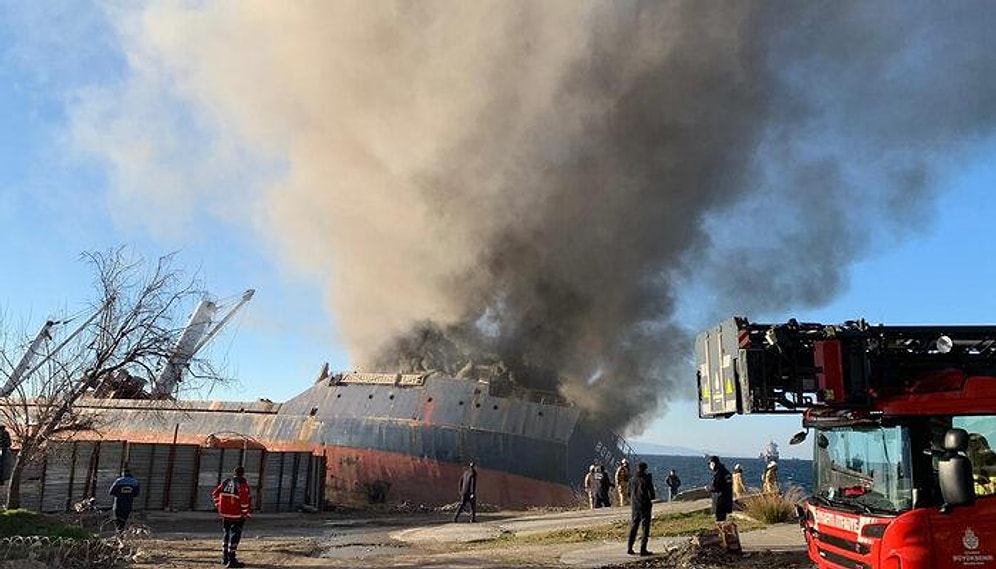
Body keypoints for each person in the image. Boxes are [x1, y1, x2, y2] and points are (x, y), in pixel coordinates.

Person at [212, 465, 252, 568]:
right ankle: (232, 559)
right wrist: (245, 513)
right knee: (235, 535)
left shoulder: (226, 482)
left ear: (234, 473)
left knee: (226, 533)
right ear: (243, 474)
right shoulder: (242, 484)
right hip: (237, 515)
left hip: (225, 514)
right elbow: (244, 501)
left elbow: (215, 494)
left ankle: (225, 558)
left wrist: (218, 505)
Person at [627, 461, 656, 556]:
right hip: (645, 505)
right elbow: (652, 495)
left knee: (634, 527)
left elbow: (628, 493)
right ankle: (643, 549)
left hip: (634, 506)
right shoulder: (646, 480)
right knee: (645, 528)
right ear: (645, 469)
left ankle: (629, 547)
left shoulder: (632, 480)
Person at [108, 468, 140, 534]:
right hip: (128, 504)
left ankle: (119, 532)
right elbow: (136, 494)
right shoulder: (135, 482)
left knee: (118, 519)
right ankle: (121, 532)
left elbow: (111, 492)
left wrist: (119, 494)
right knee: (124, 520)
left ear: (123, 473)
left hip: (118, 504)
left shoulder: (118, 481)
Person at [707, 456, 733, 522]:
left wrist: (708, 488)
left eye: (710, 464)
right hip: (727, 497)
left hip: (720, 499)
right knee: (723, 518)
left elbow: (716, 487)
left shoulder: (719, 473)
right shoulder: (726, 471)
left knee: (719, 519)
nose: (710, 466)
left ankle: (721, 527)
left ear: (713, 463)